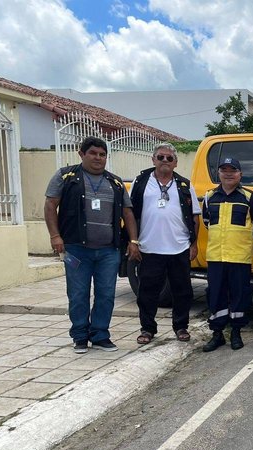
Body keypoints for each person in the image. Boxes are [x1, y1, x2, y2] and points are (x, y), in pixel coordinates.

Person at [45, 136, 139, 354]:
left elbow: (127, 212)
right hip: (76, 249)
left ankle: (100, 335)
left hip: (108, 251)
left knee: (106, 294)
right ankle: (79, 336)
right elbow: (50, 205)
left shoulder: (115, 182)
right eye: (93, 153)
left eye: (102, 154)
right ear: (82, 154)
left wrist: (133, 241)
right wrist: (55, 236)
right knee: (78, 293)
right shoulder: (66, 176)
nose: (98, 158)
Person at [128, 143, 200, 345]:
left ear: (175, 163)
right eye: (161, 157)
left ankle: (181, 327)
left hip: (179, 247)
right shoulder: (141, 182)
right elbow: (130, 213)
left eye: (170, 158)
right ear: (153, 160)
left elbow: (195, 216)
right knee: (147, 292)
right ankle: (147, 329)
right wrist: (133, 241)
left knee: (182, 291)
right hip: (149, 247)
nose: (165, 161)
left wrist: (193, 244)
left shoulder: (185, 185)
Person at [201, 157, 253, 352]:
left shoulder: (249, 198)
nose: (228, 174)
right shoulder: (209, 197)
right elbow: (207, 222)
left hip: (239, 257)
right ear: (218, 173)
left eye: (232, 170)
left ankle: (236, 332)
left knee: (239, 295)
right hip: (216, 257)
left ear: (240, 174)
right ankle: (217, 334)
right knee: (215, 295)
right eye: (224, 170)